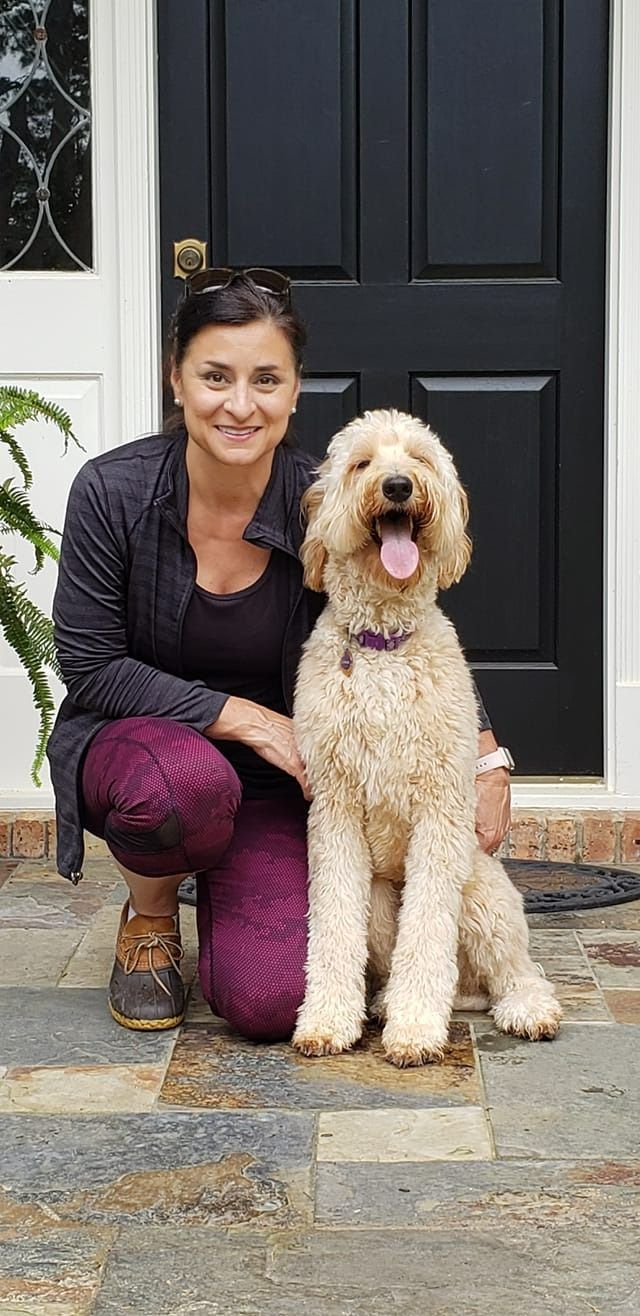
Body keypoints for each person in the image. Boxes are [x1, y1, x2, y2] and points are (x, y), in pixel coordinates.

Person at [47, 267, 512, 1039]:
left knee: (267, 1001)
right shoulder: (112, 492)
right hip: (141, 750)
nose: (240, 404)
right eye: (215, 377)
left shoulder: (329, 493)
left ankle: (236, 898)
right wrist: (249, 719)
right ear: (176, 379)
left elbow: (401, 619)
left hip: (272, 784)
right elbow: (90, 665)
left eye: (267, 379)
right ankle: (151, 915)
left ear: (295, 391)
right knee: (181, 782)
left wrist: (484, 755)